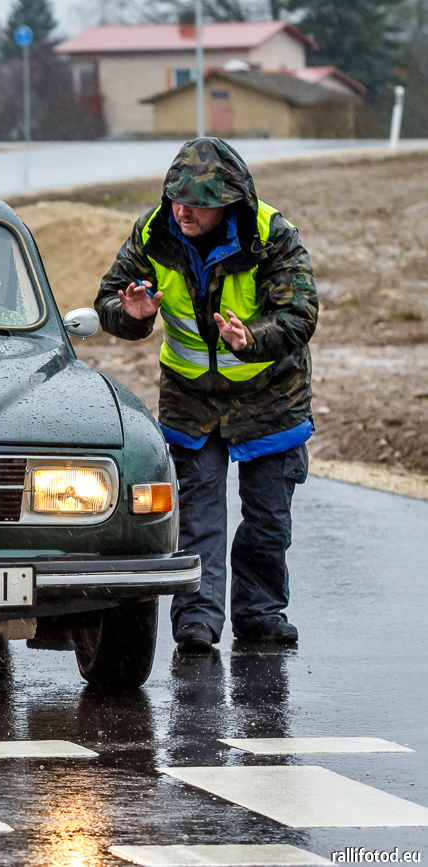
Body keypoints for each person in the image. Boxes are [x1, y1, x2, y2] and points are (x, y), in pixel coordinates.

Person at [95, 137, 317, 655]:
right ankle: (197, 619)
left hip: (271, 399)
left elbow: (300, 313)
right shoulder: (153, 233)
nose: (183, 211)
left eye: (198, 203)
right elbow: (109, 299)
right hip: (190, 402)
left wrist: (252, 338)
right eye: (177, 198)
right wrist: (131, 315)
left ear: (230, 203)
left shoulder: (272, 236)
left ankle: (260, 615)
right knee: (196, 517)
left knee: (267, 519)